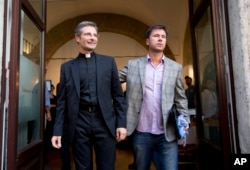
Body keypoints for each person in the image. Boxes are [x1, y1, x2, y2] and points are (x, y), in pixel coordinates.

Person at [51, 21, 127, 170]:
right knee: (82, 167)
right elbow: (62, 102)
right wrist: (57, 131)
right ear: (77, 38)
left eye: (95, 35)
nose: (93, 38)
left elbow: (118, 96)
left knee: (107, 166)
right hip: (79, 122)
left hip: (105, 122)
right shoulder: (66, 68)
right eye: (88, 34)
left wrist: (121, 124)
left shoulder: (108, 62)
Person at [119, 24, 189, 170]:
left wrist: (185, 120)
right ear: (147, 41)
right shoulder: (133, 65)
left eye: (163, 37)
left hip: (167, 133)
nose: (160, 39)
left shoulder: (174, 67)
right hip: (141, 132)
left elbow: (180, 98)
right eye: (156, 36)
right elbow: (112, 80)